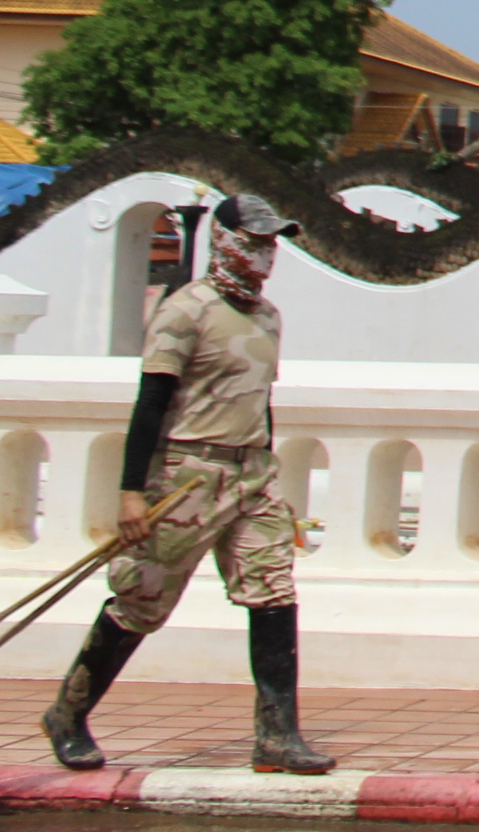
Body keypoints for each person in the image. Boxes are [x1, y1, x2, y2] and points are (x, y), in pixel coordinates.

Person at [42, 192, 334, 776]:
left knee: (273, 592)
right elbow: (151, 403)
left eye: (271, 242)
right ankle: (69, 712)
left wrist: (265, 465)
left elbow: (261, 402)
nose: (266, 253)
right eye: (254, 241)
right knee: (141, 601)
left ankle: (278, 735)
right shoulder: (186, 309)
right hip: (186, 475)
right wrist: (131, 492)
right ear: (223, 242)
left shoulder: (267, 316)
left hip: (251, 473)